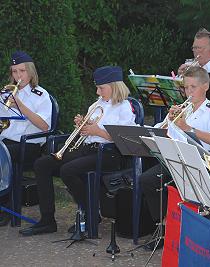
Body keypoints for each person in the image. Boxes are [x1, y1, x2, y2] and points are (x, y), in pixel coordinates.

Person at [19, 66, 137, 236]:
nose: (98, 91)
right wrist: (83, 125)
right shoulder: (97, 104)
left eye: (101, 88)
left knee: (68, 171)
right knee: (42, 164)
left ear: (114, 86)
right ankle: (47, 220)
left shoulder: (124, 107)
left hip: (109, 153)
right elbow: (89, 131)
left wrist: (97, 132)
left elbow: (124, 138)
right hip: (88, 149)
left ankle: (91, 214)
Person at [139, 67, 210, 245]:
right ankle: (163, 225)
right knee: (146, 180)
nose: (189, 92)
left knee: (176, 186)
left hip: (198, 161)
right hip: (175, 158)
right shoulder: (182, 109)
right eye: (186, 88)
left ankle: (181, 230)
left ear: (206, 86)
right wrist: (169, 121)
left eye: (193, 87)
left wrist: (189, 128)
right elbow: (160, 132)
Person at [0, 51, 52, 227]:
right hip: (6, 142)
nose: (18, 75)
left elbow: (45, 126)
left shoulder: (41, 95)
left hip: (29, 145)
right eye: (14, 71)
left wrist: (21, 106)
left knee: (2, 156)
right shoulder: (6, 93)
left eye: (21, 71)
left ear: (30, 72)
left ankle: (4, 208)